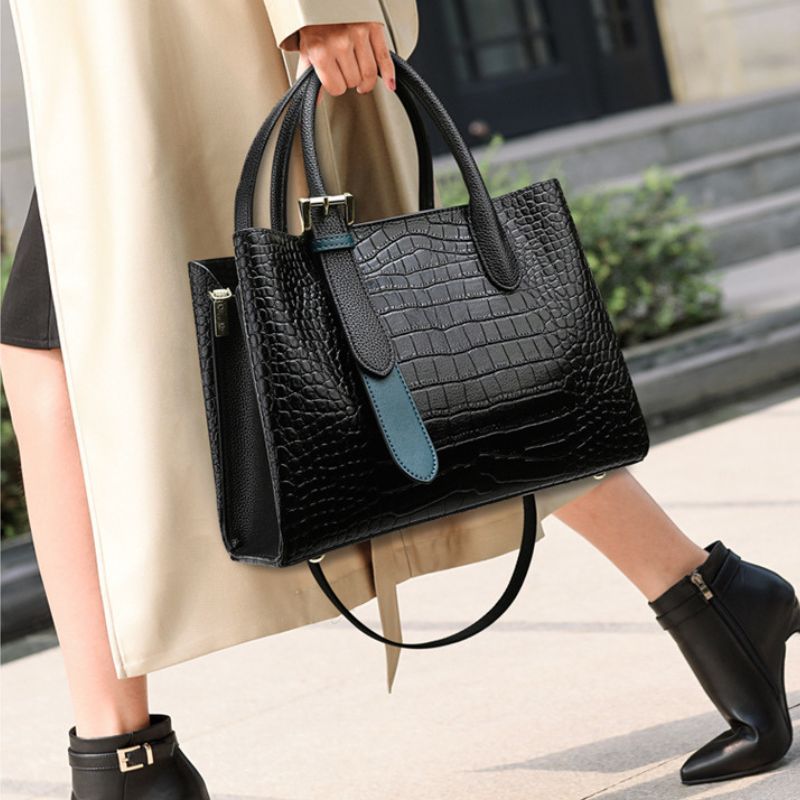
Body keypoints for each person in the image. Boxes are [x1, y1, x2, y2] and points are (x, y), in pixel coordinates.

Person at [1, 5, 797, 798]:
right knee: (67, 360)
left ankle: (123, 764)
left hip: (192, 29)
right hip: (99, 48)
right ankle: (715, 600)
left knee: (394, 349)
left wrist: (327, 7)